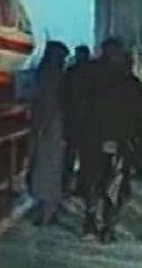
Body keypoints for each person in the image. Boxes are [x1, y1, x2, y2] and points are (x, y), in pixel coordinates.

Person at [79, 37, 142, 242]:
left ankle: (90, 221)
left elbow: (75, 104)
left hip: (91, 138)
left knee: (91, 180)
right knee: (115, 183)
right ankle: (108, 228)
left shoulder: (87, 74)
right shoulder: (128, 80)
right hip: (119, 139)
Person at [29, 40, 70, 225]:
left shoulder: (47, 76)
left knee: (44, 168)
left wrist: (39, 128)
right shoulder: (61, 76)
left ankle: (46, 211)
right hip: (57, 128)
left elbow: (45, 104)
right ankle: (52, 207)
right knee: (53, 168)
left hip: (48, 129)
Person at [61, 45, 92, 196]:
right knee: (86, 157)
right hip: (87, 122)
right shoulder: (93, 73)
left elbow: (63, 95)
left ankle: (66, 186)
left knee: (70, 155)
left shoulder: (71, 72)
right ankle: (82, 186)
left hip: (73, 120)